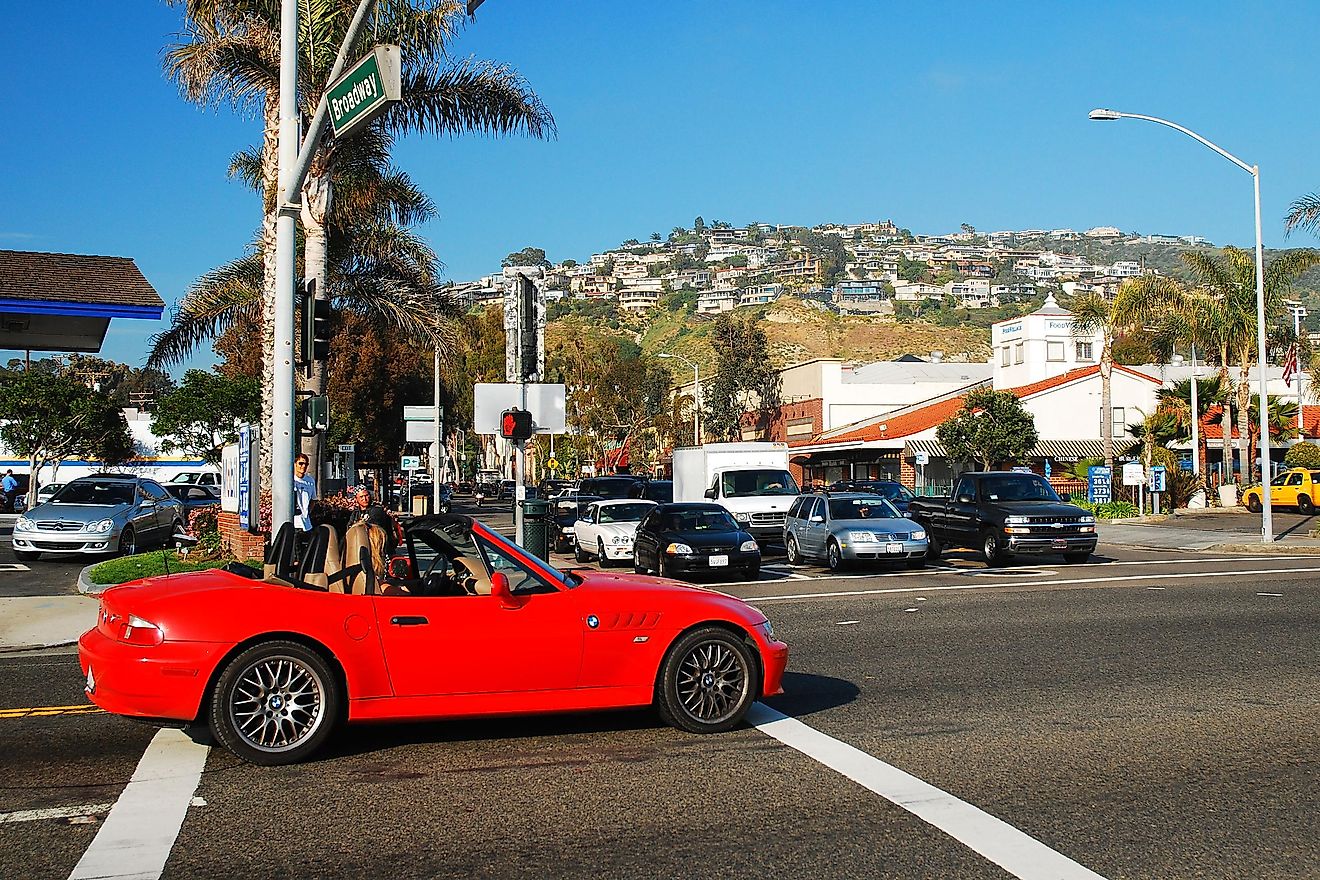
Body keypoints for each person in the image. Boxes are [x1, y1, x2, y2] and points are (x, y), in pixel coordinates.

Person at [350, 485, 400, 554]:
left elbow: (371, 529)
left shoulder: (377, 510)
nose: (364, 499)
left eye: (366, 495)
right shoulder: (355, 513)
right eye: (361, 497)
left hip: (380, 549)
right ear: (356, 499)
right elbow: (349, 529)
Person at [293, 454, 317, 535]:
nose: (303, 466)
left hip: (306, 524)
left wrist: (307, 512)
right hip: (294, 523)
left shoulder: (310, 481)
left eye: (306, 464)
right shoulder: (290, 479)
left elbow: (313, 499)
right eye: (300, 463)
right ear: (295, 464)